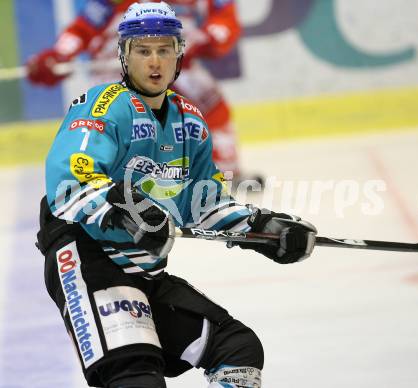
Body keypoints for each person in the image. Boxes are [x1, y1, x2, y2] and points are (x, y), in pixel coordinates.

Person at [36, 3, 317, 387]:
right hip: (89, 257)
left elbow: (204, 204)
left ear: (179, 54)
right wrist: (123, 211)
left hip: (144, 271)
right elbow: (71, 180)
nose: (155, 62)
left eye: (164, 49)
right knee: (136, 377)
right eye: (143, 50)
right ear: (123, 55)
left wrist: (262, 229)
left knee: (237, 349)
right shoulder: (103, 107)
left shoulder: (190, 121)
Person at [27, 0, 258, 183]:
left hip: (177, 63)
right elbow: (85, 26)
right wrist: (59, 55)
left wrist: (207, 39)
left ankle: (224, 174)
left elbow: (224, 19)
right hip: (119, 67)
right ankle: (96, 176)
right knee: (112, 120)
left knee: (210, 104)